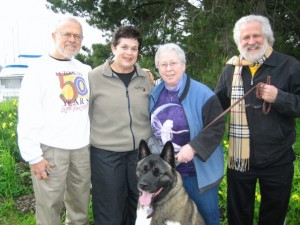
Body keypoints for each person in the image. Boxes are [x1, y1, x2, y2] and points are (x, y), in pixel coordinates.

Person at [214, 15, 300, 225]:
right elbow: (215, 107)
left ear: (267, 37)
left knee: (273, 217)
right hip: (239, 160)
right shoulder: (231, 70)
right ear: (238, 41)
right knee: (238, 217)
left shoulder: (289, 66)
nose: (251, 41)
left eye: (256, 36)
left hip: (278, 159)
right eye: (245, 37)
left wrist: (280, 98)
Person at [17, 17, 91, 225]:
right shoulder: (37, 70)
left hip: (81, 150)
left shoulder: (84, 70)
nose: (72, 39)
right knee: (49, 208)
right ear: (54, 36)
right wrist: (33, 157)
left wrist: (142, 72)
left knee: (80, 206)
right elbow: (27, 116)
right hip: (50, 150)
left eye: (77, 36)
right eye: (66, 34)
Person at [149, 43, 225, 225]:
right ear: (158, 68)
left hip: (197, 174)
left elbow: (217, 127)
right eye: (163, 64)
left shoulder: (203, 93)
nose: (169, 69)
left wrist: (194, 147)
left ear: (184, 65)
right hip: (167, 174)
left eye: (173, 63)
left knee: (207, 218)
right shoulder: (154, 94)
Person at [88, 26, 153, 225]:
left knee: (141, 205)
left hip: (140, 154)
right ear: (113, 48)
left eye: (134, 48)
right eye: (124, 47)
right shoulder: (93, 77)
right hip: (106, 154)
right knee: (110, 208)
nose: (129, 53)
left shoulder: (146, 78)